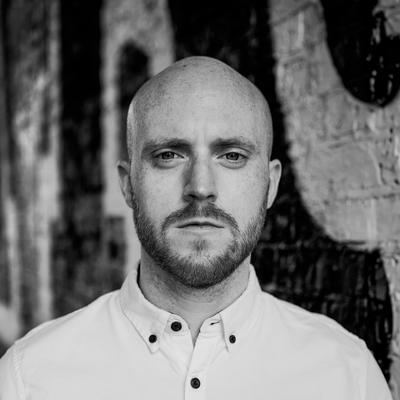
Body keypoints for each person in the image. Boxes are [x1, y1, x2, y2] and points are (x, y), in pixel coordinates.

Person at [0, 56, 392, 399]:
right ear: (128, 185)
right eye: (169, 155)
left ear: (270, 185)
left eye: (232, 156)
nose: (201, 187)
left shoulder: (346, 374)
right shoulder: (29, 377)